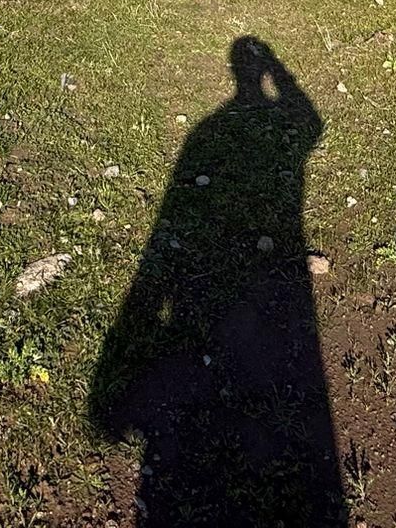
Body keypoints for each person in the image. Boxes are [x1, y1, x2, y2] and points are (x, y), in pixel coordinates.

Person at [90, 37, 343, 525]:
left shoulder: (206, 133)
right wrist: (279, 73)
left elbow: (309, 125)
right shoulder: (218, 132)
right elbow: (310, 122)